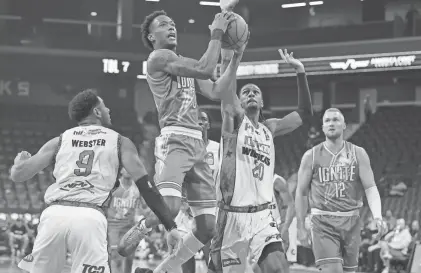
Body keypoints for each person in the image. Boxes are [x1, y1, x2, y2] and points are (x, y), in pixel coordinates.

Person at [124, 9, 246, 273]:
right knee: (170, 207)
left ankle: (162, 270)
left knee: (207, 228)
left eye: (173, 24)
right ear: (150, 36)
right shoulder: (158, 58)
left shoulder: (185, 63)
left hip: (197, 146)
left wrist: (236, 57)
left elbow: (216, 91)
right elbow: (204, 68)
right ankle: (142, 227)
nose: (171, 27)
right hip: (175, 140)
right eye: (164, 25)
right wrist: (216, 33)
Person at [10, 89, 181, 273]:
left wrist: (18, 164)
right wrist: (170, 226)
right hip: (89, 216)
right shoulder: (120, 142)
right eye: (104, 106)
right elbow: (146, 188)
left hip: (54, 215)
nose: (108, 110)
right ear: (97, 113)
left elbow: (18, 175)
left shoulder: (60, 140)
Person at [208, 47, 313, 273]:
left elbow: (304, 113)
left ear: (262, 103)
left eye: (256, 92)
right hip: (231, 216)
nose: (251, 94)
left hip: (263, 217)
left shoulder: (270, 128)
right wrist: (231, 57)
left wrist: (300, 71)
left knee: (280, 270)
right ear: (239, 102)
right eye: (246, 92)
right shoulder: (234, 122)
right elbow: (226, 90)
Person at [295, 107, 387, 273]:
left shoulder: (358, 153)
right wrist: (300, 226)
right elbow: (301, 192)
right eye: (327, 121)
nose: (331, 123)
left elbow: (370, 187)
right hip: (323, 223)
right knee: (333, 271)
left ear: (344, 125)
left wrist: (378, 217)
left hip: (352, 222)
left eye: (336, 120)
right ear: (323, 127)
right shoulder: (311, 156)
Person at [108, 168, 141, 273]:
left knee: (129, 260)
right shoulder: (113, 185)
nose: (128, 170)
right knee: (115, 258)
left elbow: (142, 208)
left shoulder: (137, 188)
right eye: (125, 167)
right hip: (113, 227)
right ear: (121, 170)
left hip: (130, 228)